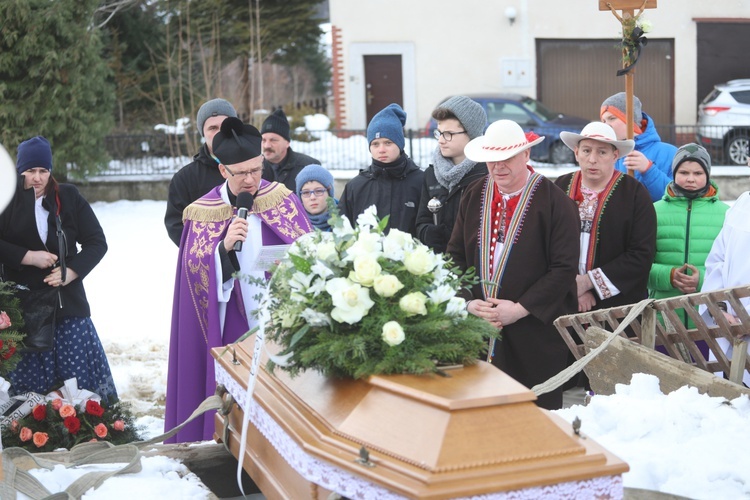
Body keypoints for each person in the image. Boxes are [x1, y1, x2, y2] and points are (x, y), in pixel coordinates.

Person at [165, 117, 313, 443]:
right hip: (231, 325)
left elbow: (309, 250)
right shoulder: (203, 212)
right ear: (223, 171)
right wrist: (222, 250)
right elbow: (192, 276)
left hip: (280, 323)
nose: (251, 180)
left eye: (256, 169)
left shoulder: (282, 199)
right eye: (241, 173)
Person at [447, 120, 580, 410]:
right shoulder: (473, 194)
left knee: (533, 415)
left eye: (506, 158)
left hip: (533, 334)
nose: (498, 167)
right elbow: (454, 255)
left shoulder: (556, 202)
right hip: (478, 328)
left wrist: (519, 309)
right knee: (480, 414)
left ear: (526, 155)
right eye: (492, 160)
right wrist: (468, 302)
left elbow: (564, 268)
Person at [0, 136, 117, 403]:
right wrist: (28, 256)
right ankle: (32, 438)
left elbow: (96, 242)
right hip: (25, 309)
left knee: (77, 383)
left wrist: (70, 272)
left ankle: (87, 436)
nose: (37, 178)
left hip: (68, 305)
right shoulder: (6, 201)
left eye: (43, 170)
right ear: (20, 171)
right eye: (30, 171)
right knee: (31, 389)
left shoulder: (68, 197)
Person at [556, 122, 656, 314]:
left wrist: (588, 284)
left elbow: (641, 254)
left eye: (602, 152)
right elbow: (544, 245)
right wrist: (571, 288)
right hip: (562, 302)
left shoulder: (634, 194)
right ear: (576, 153)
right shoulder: (560, 187)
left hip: (616, 309)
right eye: (586, 150)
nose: (592, 159)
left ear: (615, 155)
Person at [649, 144, 729, 337]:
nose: (690, 178)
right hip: (662, 319)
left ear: (707, 175)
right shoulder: (653, 211)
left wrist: (701, 279)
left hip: (710, 321)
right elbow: (638, 264)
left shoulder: (727, 214)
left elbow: (734, 266)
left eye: (698, 172)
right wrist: (669, 275)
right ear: (674, 173)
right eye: (683, 172)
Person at [415, 96, 488, 253]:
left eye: (448, 134)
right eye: (439, 133)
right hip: (440, 264)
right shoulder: (432, 174)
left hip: (473, 267)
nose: (441, 140)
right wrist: (428, 233)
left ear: (471, 134)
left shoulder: (487, 175)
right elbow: (421, 221)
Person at [338, 103, 424, 236]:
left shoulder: (421, 182)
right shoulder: (355, 187)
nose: (381, 150)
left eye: (388, 143)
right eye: (375, 144)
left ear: (400, 144)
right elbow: (342, 233)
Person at [165, 98, 238, 246]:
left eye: (224, 126)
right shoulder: (185, 178)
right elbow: (176, 226)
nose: (219, 133)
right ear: (203, 133)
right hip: (208, 262)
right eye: (212, 128)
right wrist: (212, 252)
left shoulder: (258, 168)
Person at [699, 191, 750, 386]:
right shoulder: (743, 202)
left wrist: (746, 319)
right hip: (728, 326)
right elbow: (717, 261)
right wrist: (718, 310)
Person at [600, 92, 677, 202]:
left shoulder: (670, 153)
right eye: (603, 121)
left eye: (612, 118)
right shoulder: (608, 155)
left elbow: (677, 198)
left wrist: (648, 170)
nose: (606, 125)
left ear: (631, 120)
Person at [260, 108, 321, 192]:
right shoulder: (254, 169)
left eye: (273, 140)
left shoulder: (308, 167)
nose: (267, 145)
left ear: (287, 143)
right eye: (263, 140)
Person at [295, 164, 337, 231]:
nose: (312, 197)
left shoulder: (346, 220)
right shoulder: (293, 226)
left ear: (329, 193)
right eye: (306, 192)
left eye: (319, 191)